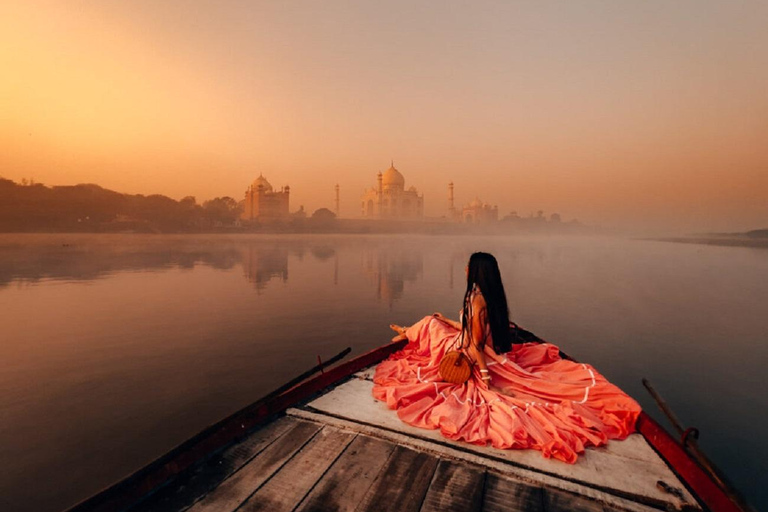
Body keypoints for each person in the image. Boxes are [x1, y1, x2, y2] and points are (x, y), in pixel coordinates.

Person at [374, 252, 641, 464]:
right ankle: (407, 332)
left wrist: (487, 380)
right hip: (478, 346)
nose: (465, 270)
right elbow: (473, 331)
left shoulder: (475, 300)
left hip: (469, 353)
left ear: (475, 271)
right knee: (435, 321)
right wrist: (449, 320)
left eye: (468, 266)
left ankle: (405, 333)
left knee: (429, 325)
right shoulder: (489, 297)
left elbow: (476, 344)